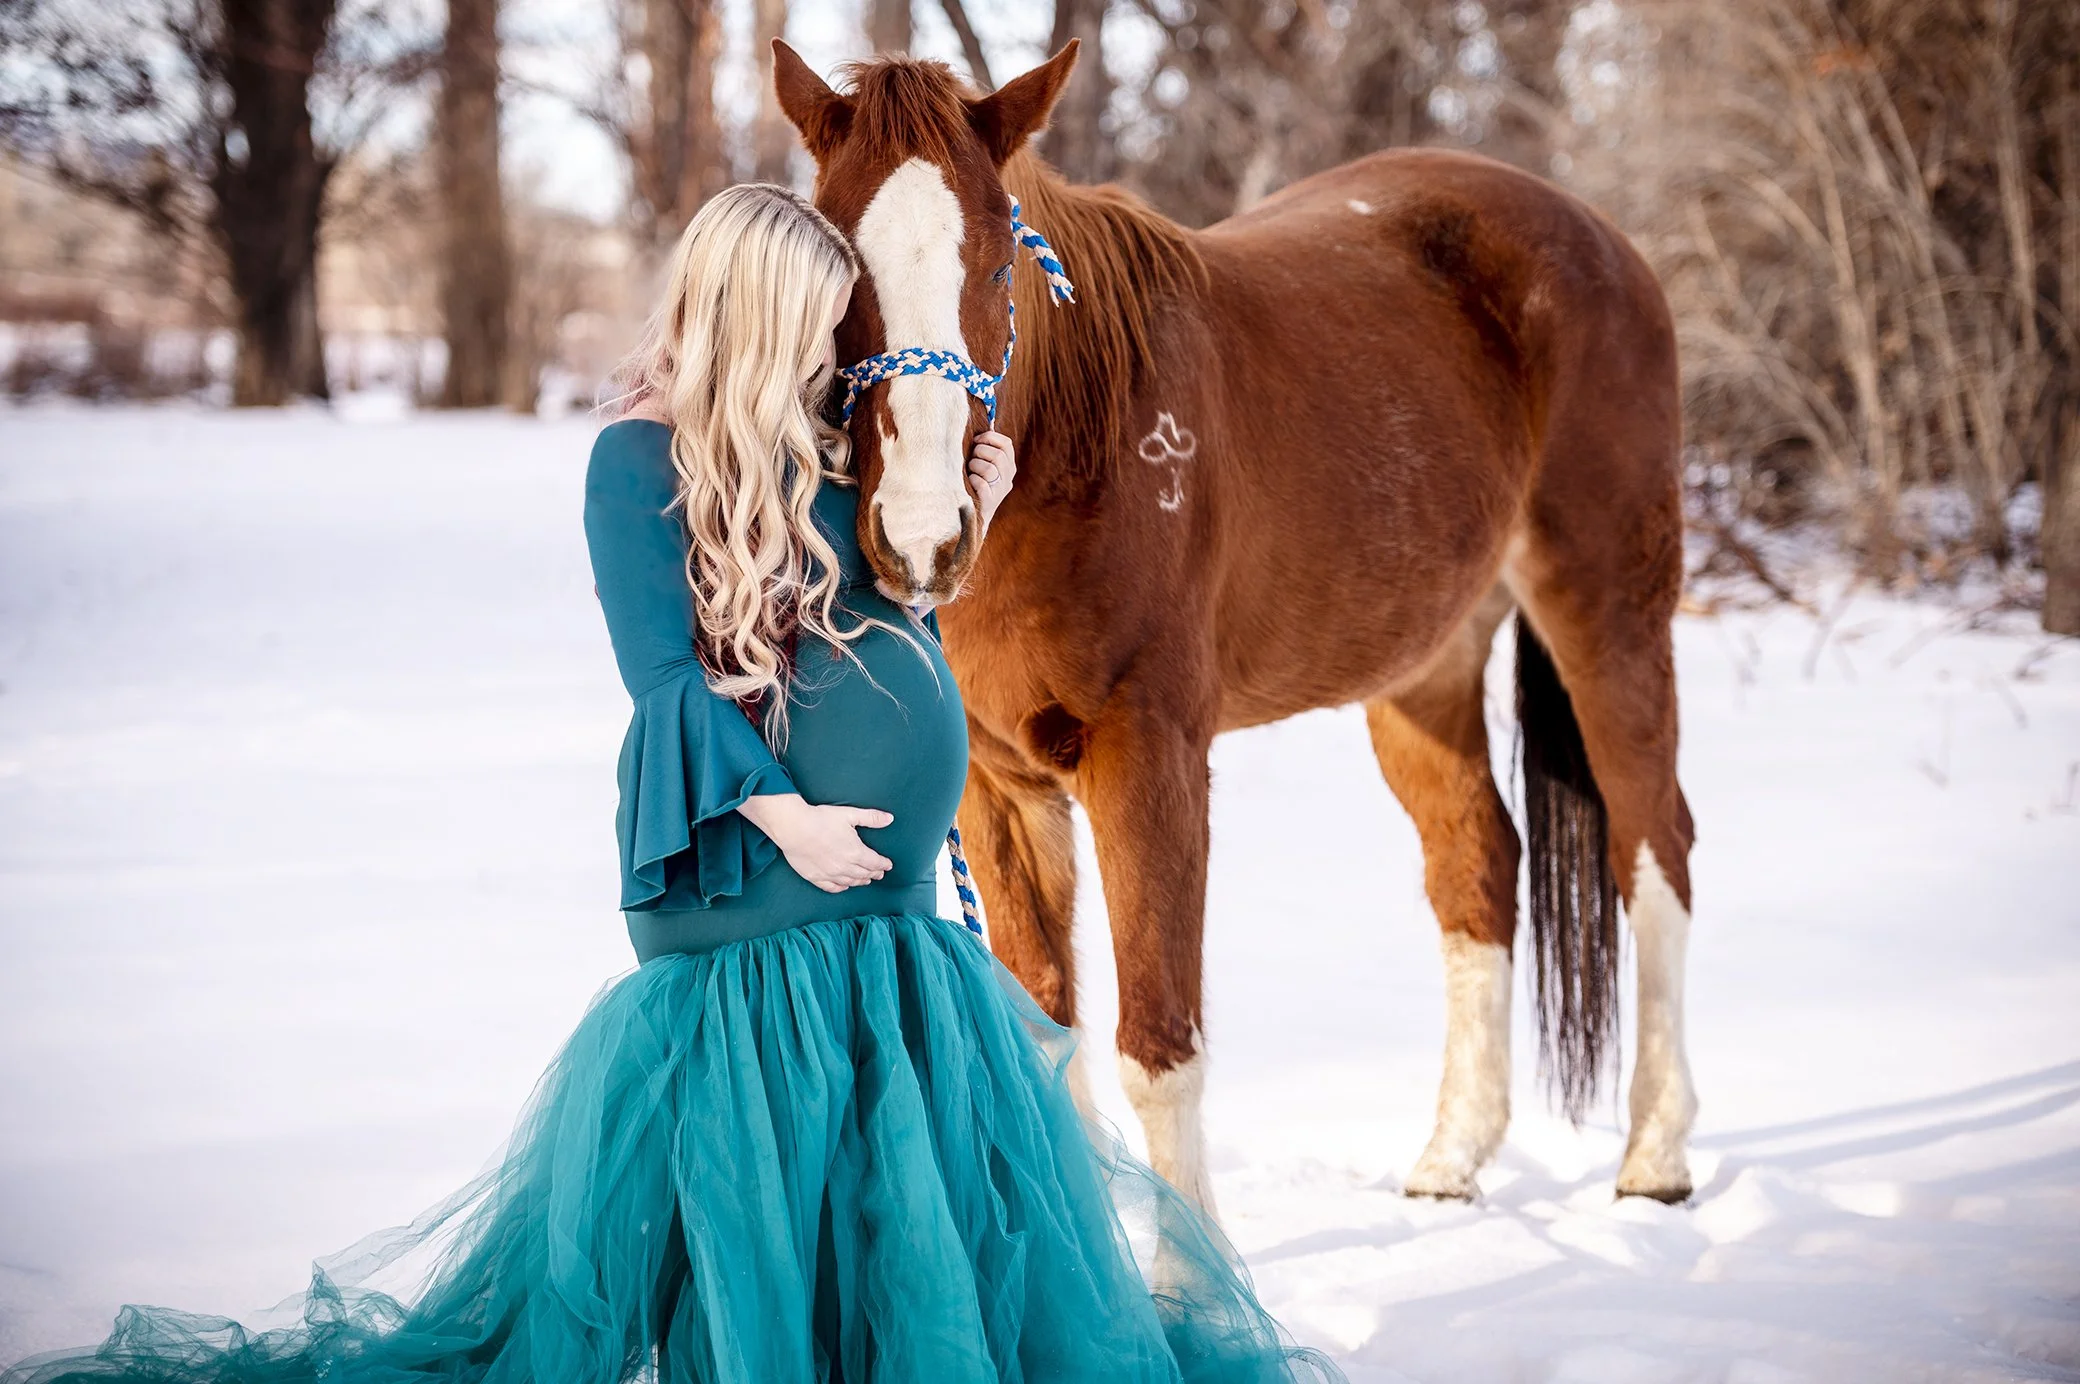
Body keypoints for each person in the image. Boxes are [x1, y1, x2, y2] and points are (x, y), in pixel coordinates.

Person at [1, 184, 1341, 1384]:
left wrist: (972, 518)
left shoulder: (816, 447)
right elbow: (664, 679)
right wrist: (783, 813)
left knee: (889, 1181)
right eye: (814, 324)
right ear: (751, 314)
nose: (833, 353)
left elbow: (902, 629)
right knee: (771, 1160)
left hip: (873, 903)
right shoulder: (636, 459)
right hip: (755, 871)